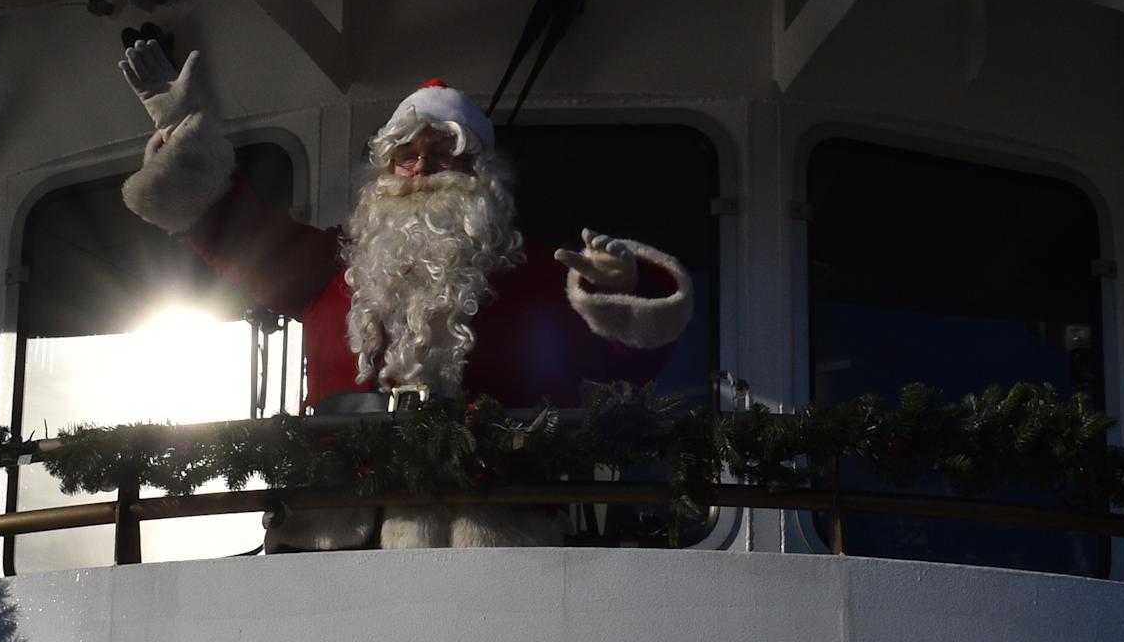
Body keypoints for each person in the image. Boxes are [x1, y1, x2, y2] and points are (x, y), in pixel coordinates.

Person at [117, 48, 693, 547]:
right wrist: (183, 130)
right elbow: (230, 227)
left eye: (441, 154)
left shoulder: (535, 277)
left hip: (498, 549)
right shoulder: (329, 266)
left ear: (478, 173)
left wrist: (618, 292)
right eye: (405, 155)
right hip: (334, 543)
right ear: (386, 169)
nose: (420, 169)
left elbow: (630, 369)